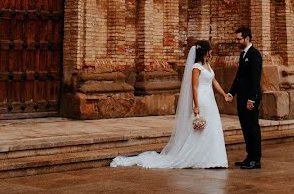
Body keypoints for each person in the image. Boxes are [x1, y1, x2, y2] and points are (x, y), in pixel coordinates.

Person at [110, 40, 229, 169]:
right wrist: (196, 105)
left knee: (213, 126)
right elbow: (194, 87)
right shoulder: (196, 67)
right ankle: (199, 157)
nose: (211, 52)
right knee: (201, 129)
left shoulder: (208, 65)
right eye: (209, 50)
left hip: (210, 100)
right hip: (202, 99)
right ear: (205, 51)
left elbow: (214, 81)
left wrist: (224, 94)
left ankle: (214, 157)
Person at [226, 26, 262, 169]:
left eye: (239, 39)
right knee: (245, 127)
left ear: (247, 39)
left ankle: (255, 159)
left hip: (250, 99)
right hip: (241, 98)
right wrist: (231, 92)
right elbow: (239, 77)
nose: (237, 42)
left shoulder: (254, 54)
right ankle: (249, 157)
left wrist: (252, 99)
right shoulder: (243, 55)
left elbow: (255, 78)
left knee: (252, 127)